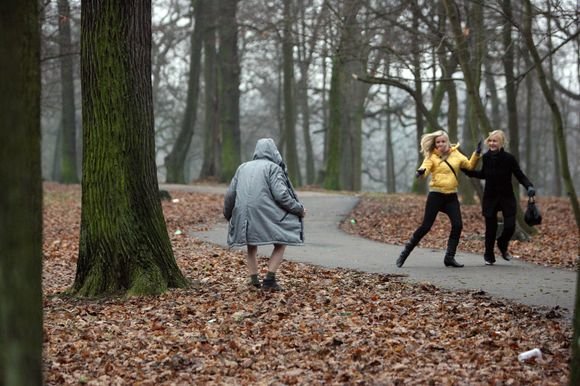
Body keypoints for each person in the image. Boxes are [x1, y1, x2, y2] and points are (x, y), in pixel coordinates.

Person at [223, 138, 305, 291]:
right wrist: (298, 209)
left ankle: (254, 280)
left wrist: (228, 215)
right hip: (265, 212)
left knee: (251, 244)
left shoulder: (242, 167)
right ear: (274, 152)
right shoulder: (273, 168)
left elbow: (229, 195)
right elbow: (282, 196)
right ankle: (269, 280)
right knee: (281, 242)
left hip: (244, 213)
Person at [396, 130, 481, 268]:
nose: (441, 144)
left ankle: (449, 257)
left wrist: (476, 154)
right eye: (438, 142)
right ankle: (404, 254)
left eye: (443, 141)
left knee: (458, 225)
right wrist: (421, 171)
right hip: (436, 195)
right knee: (426, 227)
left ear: (448, 142)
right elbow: (426, 167)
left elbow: (470, 166)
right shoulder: (432, 156)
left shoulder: (456, 154)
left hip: (451, 197)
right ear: (435, 144)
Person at [462, 130, 535, 265]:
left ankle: (502, 243)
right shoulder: (486, 157)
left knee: (510, 226)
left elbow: (519, 175)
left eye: (495, 141)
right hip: (490, 197)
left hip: (507, 196)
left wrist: (529, 186)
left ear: (501, 143)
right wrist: (467, 171)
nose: (491, 143)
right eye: (490, 140)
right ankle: (488, 255)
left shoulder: (509, 158)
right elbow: (483, 174)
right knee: (490, 229)